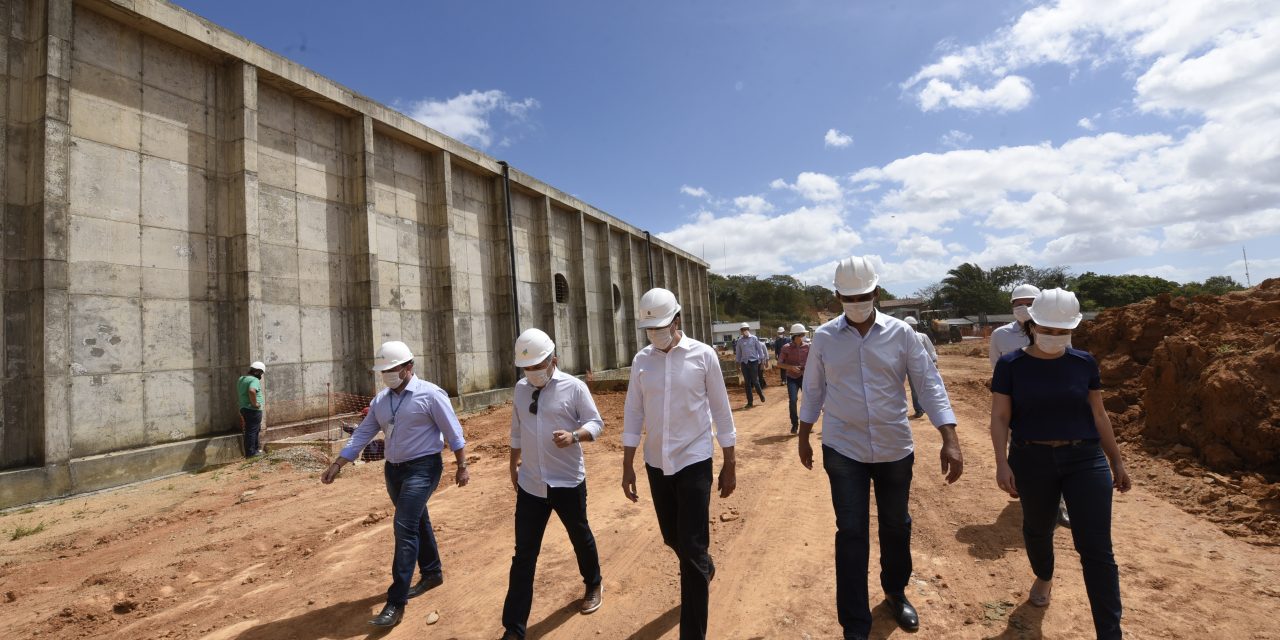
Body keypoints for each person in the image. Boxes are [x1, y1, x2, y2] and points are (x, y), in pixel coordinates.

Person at [797, 256, 963, 640]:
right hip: (843, 447)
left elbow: (928, 384)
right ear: (837, 295)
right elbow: (815, 388)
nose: (857, 301)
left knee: (896, 525)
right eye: (849, 296)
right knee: (851, 531)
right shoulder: (823, 337)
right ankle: (854, 623)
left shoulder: (901, 334)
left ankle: (895, 590)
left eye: (864, 294)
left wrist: (949, 438)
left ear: (876, 292)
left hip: (893, 445)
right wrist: (805, 434)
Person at [990, 288, 1131, 639]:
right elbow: (1000, 417)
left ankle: (1110, 633)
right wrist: (1001, 463)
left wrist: (1117, 461)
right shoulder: (1011, 365)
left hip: (1084, 458)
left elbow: (1099, 415)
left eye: (1061, 331)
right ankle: (1045, 575)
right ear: (1033, 324)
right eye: (1047, 330)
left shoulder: (1084, 363)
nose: (1054, 337)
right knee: (1037, 531)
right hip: (1031, 458)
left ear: (1073, 329)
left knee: (1097, 549)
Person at [320, 340, 469, 629]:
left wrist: (462, 466)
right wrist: (338, 463)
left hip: (424, 468)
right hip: (394, 471)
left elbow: (454, 432)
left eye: (392, 368)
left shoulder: (430, 395)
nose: (387, 374)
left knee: (404, 526)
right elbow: (362, 434)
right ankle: (432, 572)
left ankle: (396, 602)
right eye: (383, 370)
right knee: (416, 520)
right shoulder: (381, 400)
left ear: (408, 367)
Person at [622, 287, 737, 640]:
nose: (656, 333)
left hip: (694, 461)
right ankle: (703, 561)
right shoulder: (642, 361)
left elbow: (720, 409)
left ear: (677, 320)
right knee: (672, 536)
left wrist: (730, 460)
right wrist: (627, 465)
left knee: (689, 549)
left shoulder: (703, 356)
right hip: (656, 463)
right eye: (650, 328)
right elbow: (633, 412)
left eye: (661, 325)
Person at [502, 329, 605, 639]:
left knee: (579, 534)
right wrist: (512, 465)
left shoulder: (574, 388)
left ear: (553, 361)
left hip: (567, 482)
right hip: (531, 484)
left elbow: (596, 424)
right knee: (524, 556)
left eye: (537, 366)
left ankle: (593, 582)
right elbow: (517, 431)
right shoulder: (520, 390)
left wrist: (575, 436)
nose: (531, 373)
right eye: (527, 368)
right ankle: (514, 629)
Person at [990, 284, 1072, 528]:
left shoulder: (1056, 330)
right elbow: (997, 370)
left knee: (1058, 452)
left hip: (1053, 401)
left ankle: (1060, 505)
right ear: (1012, 307)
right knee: (1026, 452)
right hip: (1017, 406)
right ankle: (1034, 496)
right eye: (1019, 304)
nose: (1023, 308)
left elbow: (1066, 362)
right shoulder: (1000, 336)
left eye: (1029, 303)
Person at [778, 323, 810, 435]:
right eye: (802, 335)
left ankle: (807, 424)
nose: (804, 337)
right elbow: (779, 363)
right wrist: (791, 367)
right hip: (792, 378)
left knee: (808, 401)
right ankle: (795, 425)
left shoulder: (808, 347)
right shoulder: (786, 348)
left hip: (805, 377)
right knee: (793, 400)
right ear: (796, 336)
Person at [903, 317, 938, 419]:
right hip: (909, 367)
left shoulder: (922, 336)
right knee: (914, 389)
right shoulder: (901, 338)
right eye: (909, 326)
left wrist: (934, 361)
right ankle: (919, 409)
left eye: (913, 326)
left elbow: (930, 349)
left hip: (924, 366)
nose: (911, 328)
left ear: (916, 327)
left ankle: (930, 407)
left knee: (928, 387)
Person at [733, 322, 767, 407]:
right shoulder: (739, 341)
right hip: (744, 363)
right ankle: (750, 402)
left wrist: (762, 362)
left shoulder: (754, 338)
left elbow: (760, 350)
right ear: (741, 331)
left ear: (748, 329)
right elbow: (738, 354)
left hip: (753, 362)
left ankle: (761, 394)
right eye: (743, 329)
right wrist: (737, 365)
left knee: (755, 380)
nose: (744, 331)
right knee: (747, 383)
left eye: (746, 329)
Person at [236, 361, 266, 458]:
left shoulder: (241, 379)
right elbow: (251, 390)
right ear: (257, 372)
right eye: (261, 373)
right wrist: (255, 404)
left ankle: (255, 451)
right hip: (252, 409)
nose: (261, 375)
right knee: (252, 431)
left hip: (244, 408)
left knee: (252, 430)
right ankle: (251, 453)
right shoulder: (254, 380)